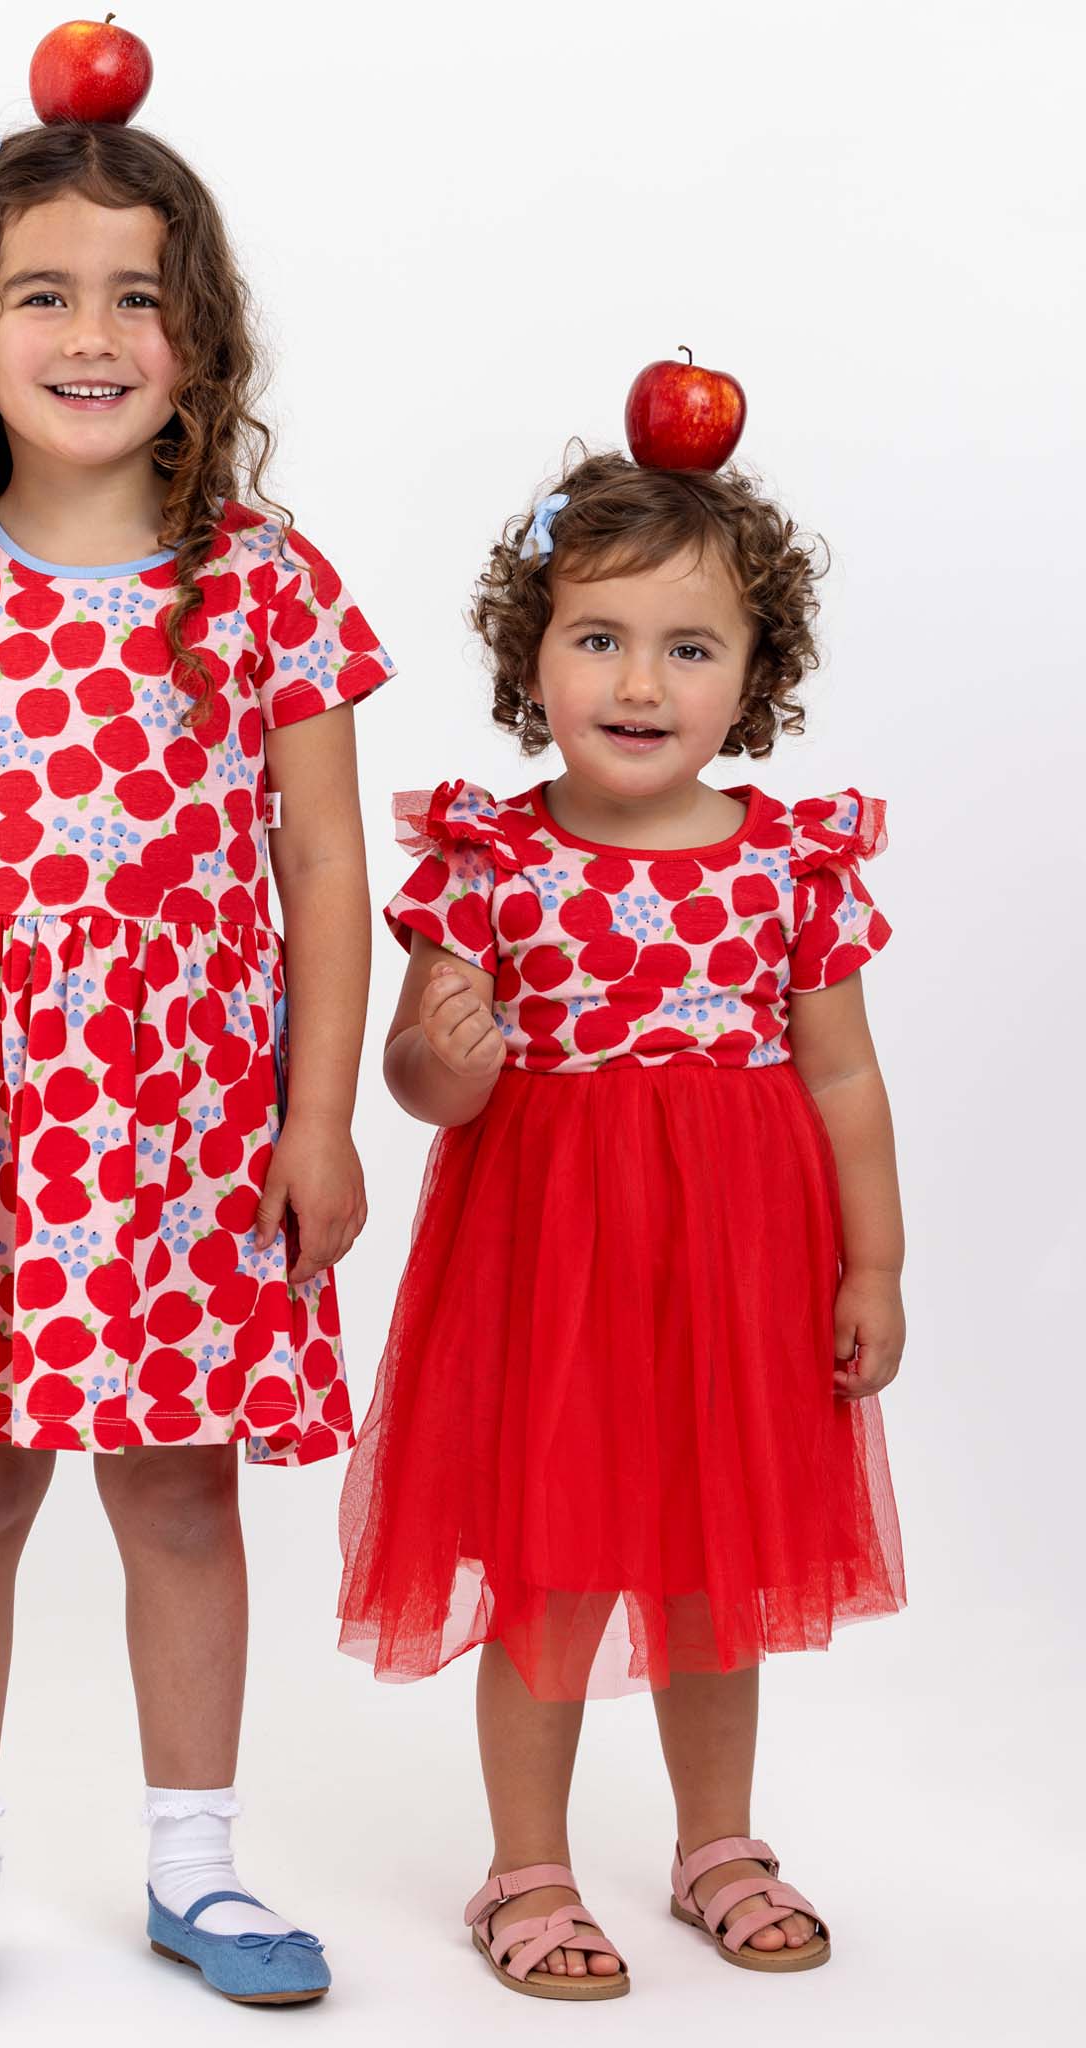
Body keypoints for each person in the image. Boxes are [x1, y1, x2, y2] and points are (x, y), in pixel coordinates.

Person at [0, 121, 393, 2014]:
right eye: (43, 292)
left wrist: (321, 1120)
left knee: (178, 1488)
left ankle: (197, 1867)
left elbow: (325, 870)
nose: (90, 332)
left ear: (199, 341)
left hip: (190, 1126)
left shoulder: (266, 582)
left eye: (139, 297)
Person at [337, 450, 906, 1999]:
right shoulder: (488, 861)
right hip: (551, 1273)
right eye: (597, 638)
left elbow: (844, 1077)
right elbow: (420, 1087)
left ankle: (714, 1840)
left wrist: (877, 1264)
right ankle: (526, 1863)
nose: (639, 681)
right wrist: (442, 1057)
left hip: (737, 1276)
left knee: (720, 1568)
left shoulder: (795, 863)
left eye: (689, 646)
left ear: (753, 677)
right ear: (532, 657)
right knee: (553, 1564)